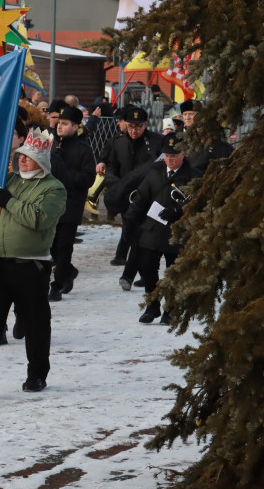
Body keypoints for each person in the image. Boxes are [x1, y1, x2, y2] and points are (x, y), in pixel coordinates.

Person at [0, 128, 67, 398]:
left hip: (31, 267)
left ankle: (37, 375)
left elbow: (39, 219)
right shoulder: (5, 181)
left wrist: (9, 203)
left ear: (41, 160)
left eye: (29, 157)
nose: (22, 160)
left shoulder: (54, 189)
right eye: (20, 155)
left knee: (35, 323)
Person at [124, 133, 201, 324]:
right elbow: (141, 198)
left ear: (183, 155)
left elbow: (200, 201)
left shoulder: (193, 175)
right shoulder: (155, 171)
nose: (170, 160)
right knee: (148, 268)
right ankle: (152, 306)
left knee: (174, 271)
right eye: (167, 156)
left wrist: (178, 210)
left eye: (174, 156)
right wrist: (129, 221)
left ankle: (171, 309)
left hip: (177, 231)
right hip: (153, 228)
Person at [96, 105, 161, 286]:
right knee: (133, 236)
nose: (134, 130)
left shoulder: (156, 142)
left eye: (138, 127)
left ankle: (129, 276)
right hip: (127, 198)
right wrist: (117, 187)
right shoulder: (118, 142)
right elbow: (111, 169)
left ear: (145, 125)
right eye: (131, 126)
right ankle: (142, 274)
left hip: (148, 197)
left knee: (144, 237)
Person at [47, 104, 95, 301]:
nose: (60, 127)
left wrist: (63, 171)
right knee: (50, 246)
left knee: (64, 246)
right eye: (59, 123)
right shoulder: (50, 145)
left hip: (71, 205)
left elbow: (87, 178)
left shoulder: (84, 149)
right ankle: (68, 271)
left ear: (76, 127)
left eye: (65, 124)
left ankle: (57, 285)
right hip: (50, 204)